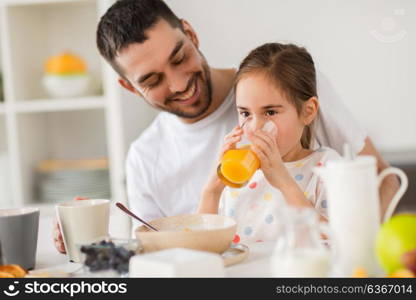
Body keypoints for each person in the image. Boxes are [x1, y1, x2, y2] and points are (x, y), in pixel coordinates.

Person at [53, 0, 399, 253]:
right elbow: (154, 249)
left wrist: (360, 261)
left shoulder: (282, 86)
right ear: (130, 88)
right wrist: (95, 236)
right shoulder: (145, 156)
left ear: (190, 34)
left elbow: (380, 182)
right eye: (153, 79)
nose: (178, 84)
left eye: (179, 58)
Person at [198, 42, 340, 244]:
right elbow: (203, 249)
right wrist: (211, 192)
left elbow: (338, 242)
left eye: (270, 112)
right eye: (245, 113)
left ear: (308, 111)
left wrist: (283, 181)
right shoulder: (239, 176)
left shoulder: (326, 167)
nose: (254, 128)